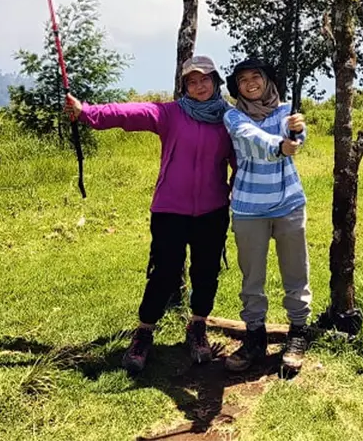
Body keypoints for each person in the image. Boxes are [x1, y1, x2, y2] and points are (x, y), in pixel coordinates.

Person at [64, 55, 234, 375]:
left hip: (213, 209)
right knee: (165, 273)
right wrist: (87, 112)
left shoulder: (229, 120)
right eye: (192, 81)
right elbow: (130, 114)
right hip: (170, 209)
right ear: (184, 86)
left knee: (206, 272)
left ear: (216, 81)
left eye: (205, 79)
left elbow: (241, 161)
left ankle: (197, 327)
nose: (199, 86)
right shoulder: (170, 113)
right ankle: (144, 332)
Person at [221, 57, 312, 375]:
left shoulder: (286, 111)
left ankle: (298, 333)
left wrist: (298, 132)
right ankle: (255, 337)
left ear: (266, 80)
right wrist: (279, 145)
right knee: (252, 279)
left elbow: (299, 138)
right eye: (243, 79)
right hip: (248, 208)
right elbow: (251, 139)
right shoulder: (233, 116)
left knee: (295, 273)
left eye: (255, 76)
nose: (250, 83)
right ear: (238, 87)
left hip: (289, 204)